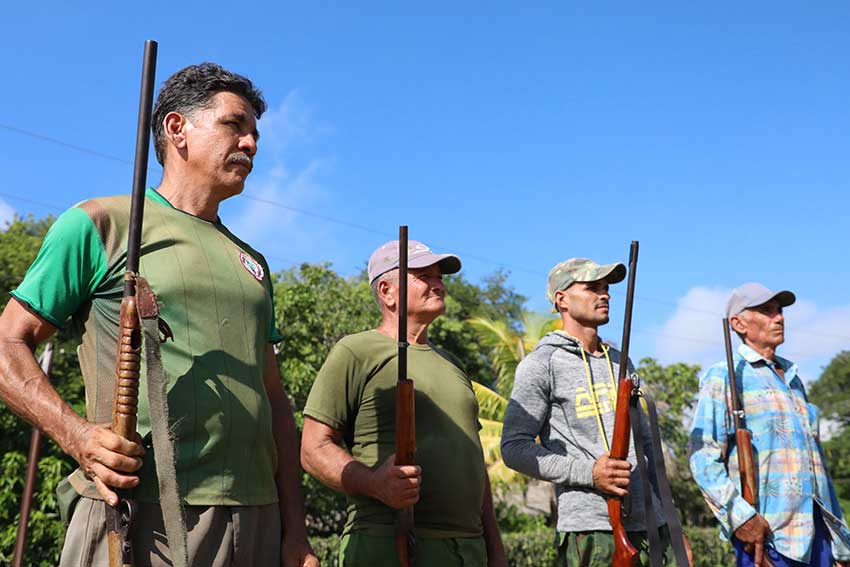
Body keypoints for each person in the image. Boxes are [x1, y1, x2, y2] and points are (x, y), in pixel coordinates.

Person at [0, 63, 318, 567]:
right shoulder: (101, 223)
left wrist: (295, 531)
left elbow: (276, 402)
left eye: (255, 132)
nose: (252, 143)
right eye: (235, 125)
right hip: (137, 514)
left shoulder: (253, 263)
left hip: (256, 518)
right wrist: (78, 436)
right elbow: (7, 345)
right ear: (177, 129)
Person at [300, 239, 507, 567]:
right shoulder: (356, 350)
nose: (438, 283)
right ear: (387, 291)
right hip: (386, 543)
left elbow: (474, 460)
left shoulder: (453, 363)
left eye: (440, 276)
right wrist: (373, 483)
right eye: (424, 275)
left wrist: (494, 547)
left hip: (468, 550)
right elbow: (313, 450)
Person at [501, 257, 684, 567]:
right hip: (590, 532)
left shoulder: (621, 361)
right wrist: (590, 473)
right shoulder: (541, 364)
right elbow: (513, 448)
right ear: (561, 299)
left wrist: (673, 525)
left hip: (652, 528)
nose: (605, 294)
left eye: (606, 287)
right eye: (592, 287)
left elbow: (647, 447)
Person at [689, 283, 850, 567]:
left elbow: (817, 466)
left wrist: (840, 544)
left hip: (818, 537)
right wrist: (741, 518)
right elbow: (703, 457)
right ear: (738, 323)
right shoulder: (724, 375)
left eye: (780, 310)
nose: (779, 318)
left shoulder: (793, 379)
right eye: (766, 311)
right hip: (768, 538)